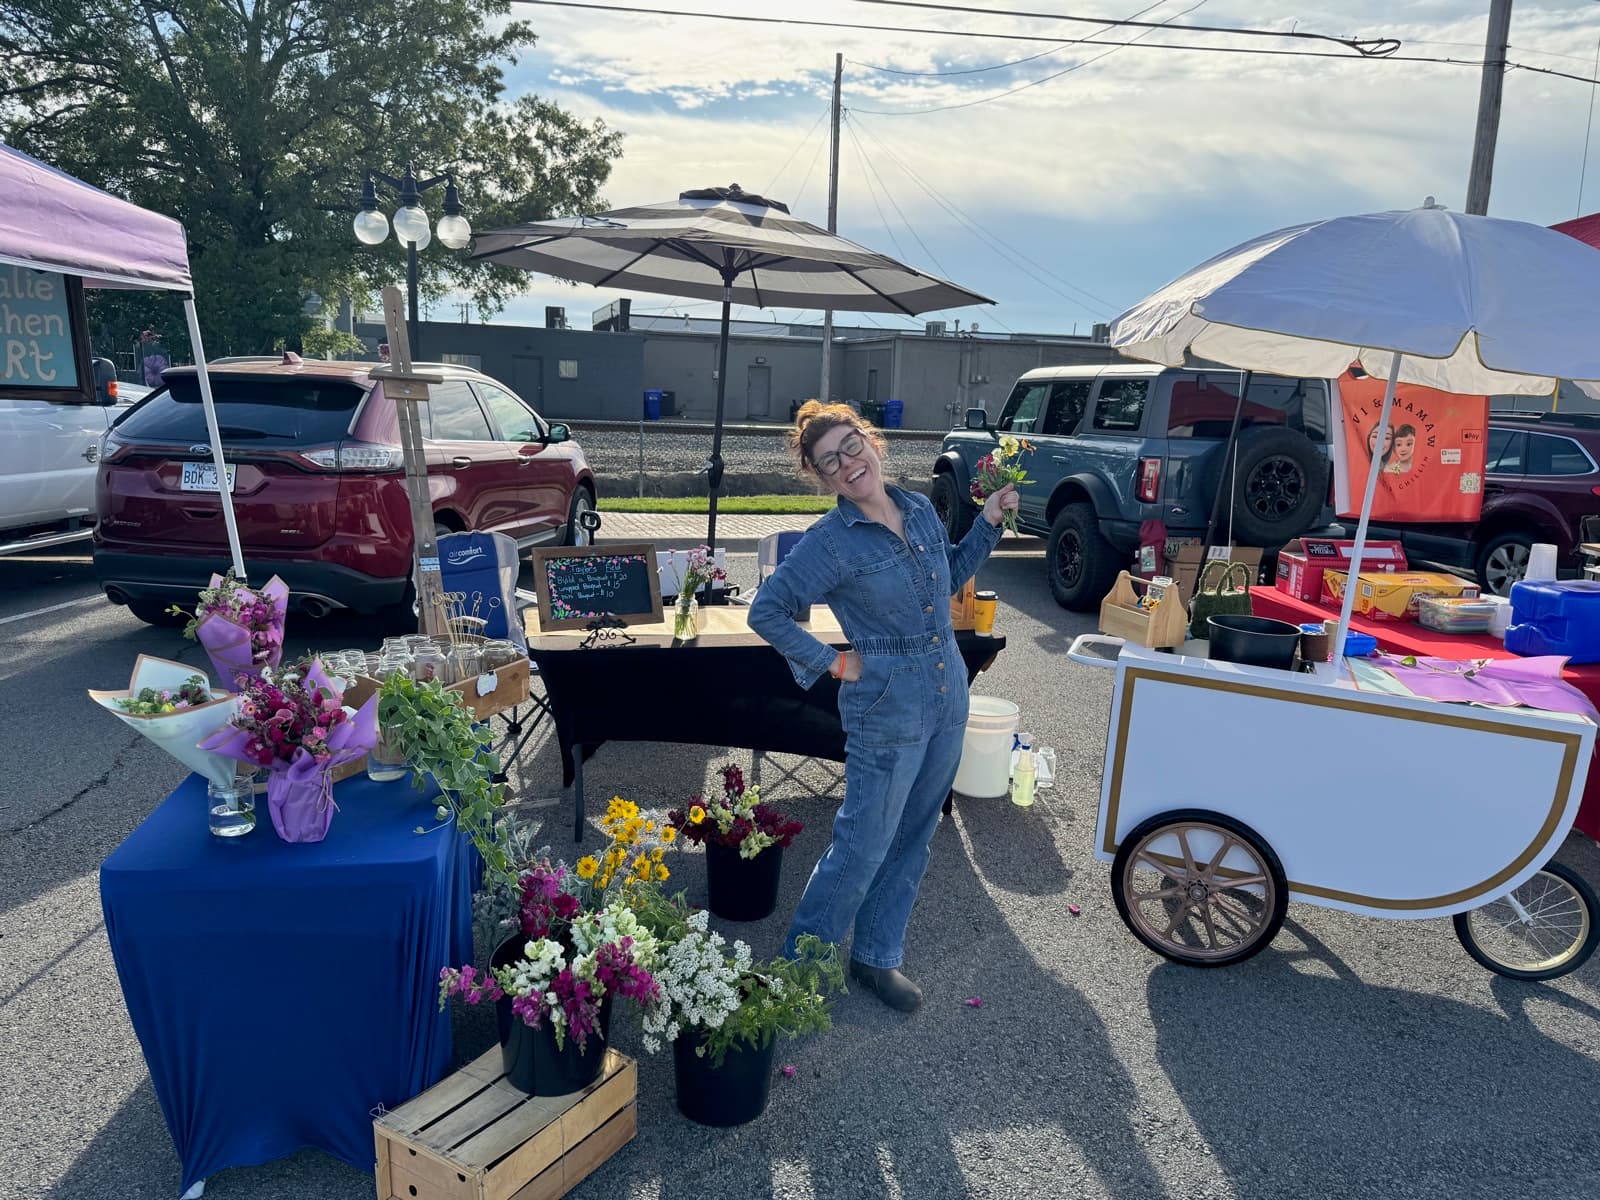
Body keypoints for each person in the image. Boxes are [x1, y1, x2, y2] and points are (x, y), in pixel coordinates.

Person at [748, 400, 1018, 1012]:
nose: (847, 464)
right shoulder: (829, 542)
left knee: (915, 837)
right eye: (829, 462)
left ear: (872, 443)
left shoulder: (919, 508)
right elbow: (766, 610)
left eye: (851, 446)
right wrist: (836, 663)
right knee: (862, 845)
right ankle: (798, 974)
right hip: (887, 707)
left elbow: (946, 579)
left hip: (948, 693)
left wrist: (989, 522)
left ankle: (875, 956)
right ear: (820, 477)